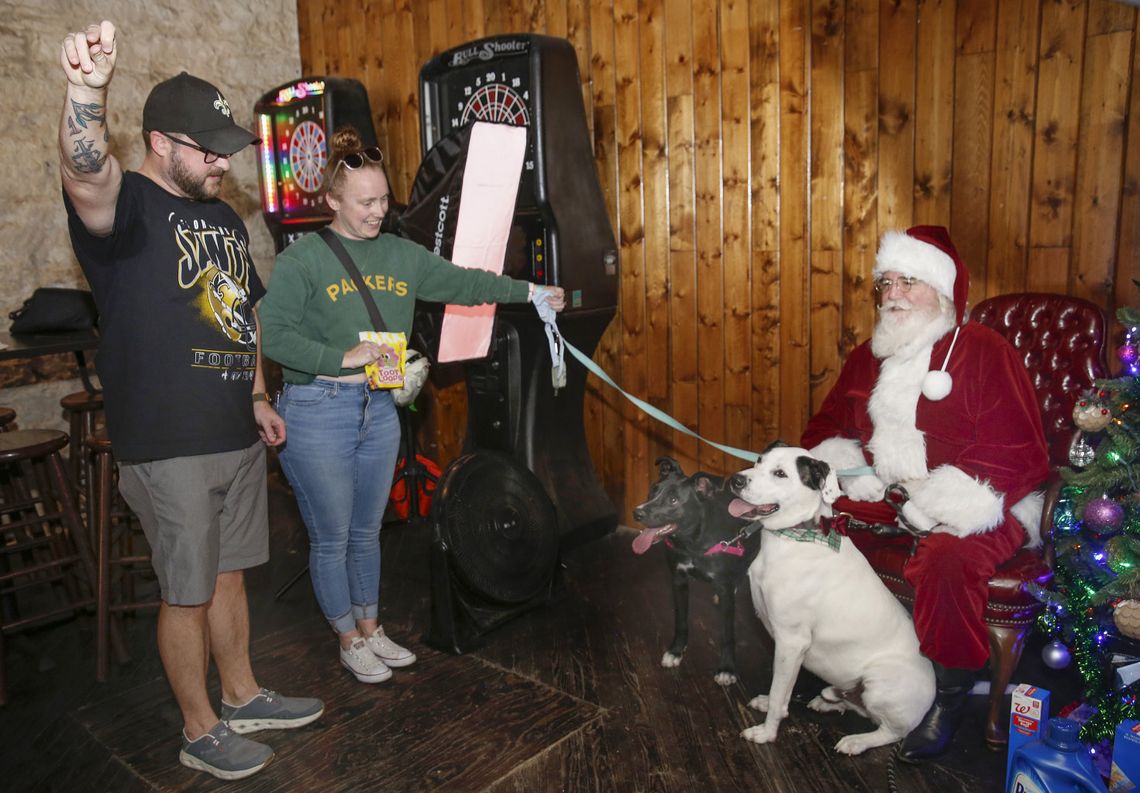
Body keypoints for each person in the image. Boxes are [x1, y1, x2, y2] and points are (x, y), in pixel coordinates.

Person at [59, 20, 323, 781]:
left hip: (232, 433)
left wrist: (260, 396)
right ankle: (198, 726)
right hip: (166, 443)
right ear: (158, 140)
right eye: (205, 147)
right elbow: (85, 171)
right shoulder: (126, 207)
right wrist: (86, 92)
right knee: (186, 589)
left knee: (230, 573)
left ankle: (240, 693)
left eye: (224, 147)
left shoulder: (222, 216)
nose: (219, 160)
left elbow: (241, 314)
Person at [258, 127, 566, 684]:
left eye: (384, 200)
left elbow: (464, 282)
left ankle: (372, 628)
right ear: (332, 201)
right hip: (318, 406)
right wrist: (341, 355)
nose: (378, 212)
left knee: (367, 530)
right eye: (365, 202)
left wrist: (530, 292)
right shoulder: (304, 259)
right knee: (332, 535)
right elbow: (272, 336)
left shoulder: (401, 254)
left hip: (378, 408)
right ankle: (347, 638)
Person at [800, 225, 1050, 762]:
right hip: (887, 492)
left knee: (948, 559)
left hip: (988, 497)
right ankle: (853, 665)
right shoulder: (870, 354)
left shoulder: (984, 351)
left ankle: (949, 698)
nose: (892, 295)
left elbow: (1019, 452)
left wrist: (937, 502)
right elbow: (823, 431)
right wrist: (849, 471)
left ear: (940, 291)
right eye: (886, 283)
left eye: (908, 282)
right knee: (823, 531)